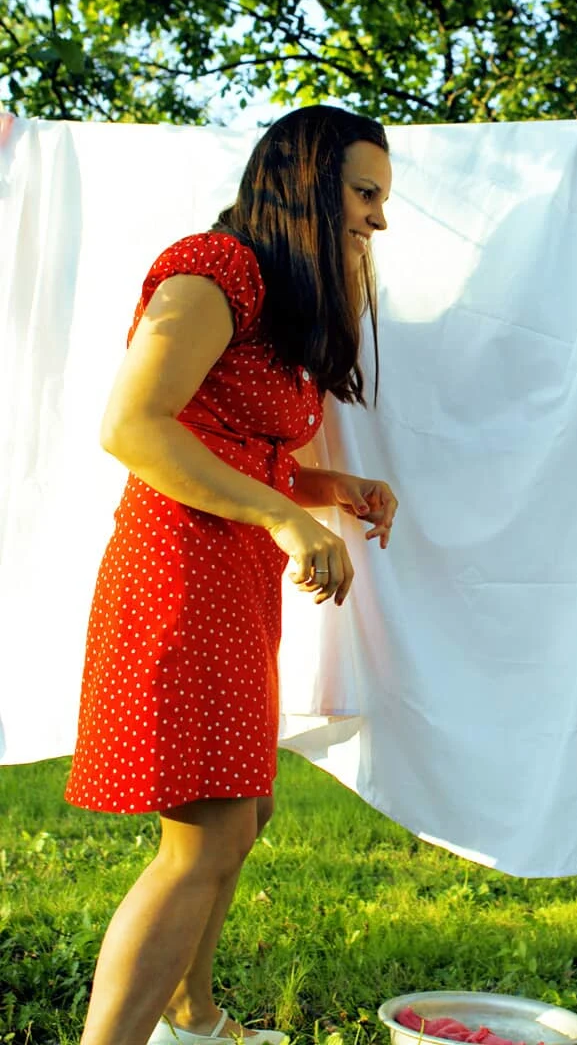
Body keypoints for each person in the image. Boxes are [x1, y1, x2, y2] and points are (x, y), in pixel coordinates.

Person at [64, 105, 399, 1045]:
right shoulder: (214, 268)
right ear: (305, 184)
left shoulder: (270, 292)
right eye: (364, 194)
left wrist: (325, 486)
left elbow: (227, 441)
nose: (378, 218)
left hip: (232, 576)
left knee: (239, 818)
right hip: (177, 570)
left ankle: (194, 1021)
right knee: (202, 836)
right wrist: (287, 516)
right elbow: (134, 427)